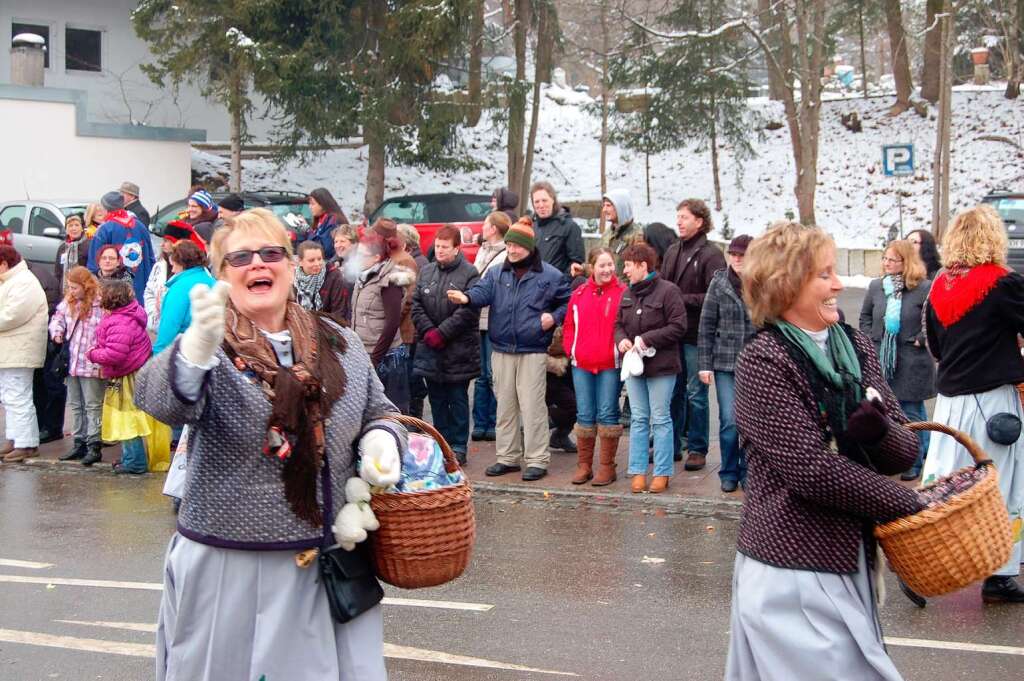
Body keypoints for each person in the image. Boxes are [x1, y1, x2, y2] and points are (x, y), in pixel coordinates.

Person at [134, 207, 404, 681]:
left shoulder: (338, 339)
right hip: (229, 566)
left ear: (291, 265)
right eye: (239, 258)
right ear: (221, 276)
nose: (258, 264)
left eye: (271, 252)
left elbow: (380, 409)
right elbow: (159, 401)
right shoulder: (211, 348)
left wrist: (383, 438)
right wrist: (194, 349)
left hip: (327, 567)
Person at [726, 222, 927, 681]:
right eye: (825, 274)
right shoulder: (763, 360)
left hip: (847, 555)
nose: (839, 284)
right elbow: (811, 470)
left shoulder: (854, 345)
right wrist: (910, 502)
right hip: (789, 566)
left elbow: (905, 447)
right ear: (785, 285)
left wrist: (878, 434)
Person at [922, 205, 1024, 603]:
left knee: (945, 482)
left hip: (950, 400)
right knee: (1001, 485)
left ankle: (922, 558)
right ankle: (999, 574)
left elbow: (934, 344)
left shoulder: (938, 284)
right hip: (992, 399)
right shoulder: (1003, 283)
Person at [448, 219, 571, 482]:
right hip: (502, 348)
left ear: (529, 247)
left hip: (532, 348)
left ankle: (537, 459)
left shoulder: (550, 275)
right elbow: (482, 292)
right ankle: (507, 457)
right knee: (505, 405)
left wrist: (553, 316)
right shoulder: (497, 273)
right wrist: (467, 297)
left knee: (532, 406)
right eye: (509, 245)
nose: (512, 250)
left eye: (516, 245)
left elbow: (567, 302)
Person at [858, 239, 936, 481]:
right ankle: (914, 454)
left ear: (906, 261)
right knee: (892, 411)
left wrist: (921, 339)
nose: (887, 263)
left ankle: (915, 461)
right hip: (884, 360)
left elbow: (935, 321)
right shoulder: (876, 286)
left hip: (913, 362)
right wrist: (872, 339)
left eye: (892, 259)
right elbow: (865, 317)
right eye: (885, 258)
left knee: (911, 412)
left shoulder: (923, 287)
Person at [614, 243, 686, 494]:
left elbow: (678, 326)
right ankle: (637, 471)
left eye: (629, 266)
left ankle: (662, 473)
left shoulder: (668, 291)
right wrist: (621, 339)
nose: (625, 271)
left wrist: (648, 339)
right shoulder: (627, 293)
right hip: (635, 367)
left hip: (662, 367)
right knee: (638, 418)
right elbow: (618, 324)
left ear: (643, 266)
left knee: (661, 418)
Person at [661, 198, 725, 470]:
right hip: (671, 334)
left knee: (696, 394)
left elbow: (715, 295)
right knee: (672, 393)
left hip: (697, 335)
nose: (679, 221)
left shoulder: (711, 254)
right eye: (678, 216)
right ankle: (672, 446)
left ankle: (697, 448)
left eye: (684, 217)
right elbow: (663, 287)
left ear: (699, 221)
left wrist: (679, 299)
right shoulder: (673, 249)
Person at [412, 225, 481, 464]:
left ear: (456, 248)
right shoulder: (427, 271)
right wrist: (429, 331)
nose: (439, 251)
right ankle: (441, 441)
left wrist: (443, 332)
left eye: (444, 247)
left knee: (458, 398)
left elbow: (469, 311)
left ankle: (459, 445)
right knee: (437, 399)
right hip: (430, 348)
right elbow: (416, 304)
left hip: (458, 350)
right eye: (437, 246)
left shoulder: (470, 273)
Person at [697, 235, 756, 493]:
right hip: (725, 362)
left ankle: (749, 471)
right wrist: (704, 364)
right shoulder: (719, 282)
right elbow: (706, 325)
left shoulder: (762, 283)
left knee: (752, 422)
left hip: (755, 363)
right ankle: (729, 470)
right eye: (733, 254)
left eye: (742, 254)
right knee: (729, 419)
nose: (737, 259)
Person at [563, 247, 626, 486]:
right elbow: (569, 325)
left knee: (608, 412)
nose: (607, 270)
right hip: (582, 364)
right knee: (585, 413)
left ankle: (607, 467)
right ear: (592, 267)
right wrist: (571, 350)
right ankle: (584, 465)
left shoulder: (623, 293)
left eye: (610, 264)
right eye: (602, 265)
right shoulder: (579, 294)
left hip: (610, 363)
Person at [86, 280, 153, 473]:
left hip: (126, 376)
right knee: (129, 418)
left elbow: (115, 354)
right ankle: (129, 458)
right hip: (132, 372)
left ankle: (135, 462)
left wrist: (92, 354)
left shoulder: (119, 321)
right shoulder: (129, 315)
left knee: (127, 419)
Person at [350, 229, 416, 413]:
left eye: (363, 255)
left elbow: (392, 322)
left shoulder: (389, 281)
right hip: (365, 353)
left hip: (387, 358)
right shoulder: (363, 277)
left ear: (376, 257)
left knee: (392, 414)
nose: (358, 258)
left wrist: (375, 358)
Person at [49, 266, 104, 462]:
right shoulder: (69, 301)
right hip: (71, 362)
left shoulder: (100, 304)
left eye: (74, 287)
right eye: (69, 287)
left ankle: (94, 444)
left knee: (92, 404)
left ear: (85, 285)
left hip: (92, 363)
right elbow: (57, 317)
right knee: (75, 404)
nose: (71, 291)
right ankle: (78, 442)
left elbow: (106, 332)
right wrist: (57, 331)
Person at [0, 244, 48, 462]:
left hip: (20, 351)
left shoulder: (24, 282)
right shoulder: (12, 281)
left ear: (4, 264)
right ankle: (14, 438)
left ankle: (26, 443)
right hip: (11, 351)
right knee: (10, 397)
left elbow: (11, 315)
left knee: (18, 397)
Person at [471, 211, 510, 442]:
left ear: (494, 228)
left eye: (486, 224)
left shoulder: (504, 254)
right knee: (480, 374)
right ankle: (480, 421)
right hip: (479, 318)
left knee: (492, 372)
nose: (483, 227)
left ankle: (494, 421)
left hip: (493, 318)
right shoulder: (483, 250)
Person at [87, 191, 155, 301]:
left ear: (106, 208)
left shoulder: (104, 230)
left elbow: (94, 263)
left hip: (113, 295)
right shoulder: (140, 226)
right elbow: (151, 259)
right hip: (142, 292)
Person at [153, 241, 216, 355]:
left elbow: (169, 327)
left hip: (184, 352)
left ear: (181, 262)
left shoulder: (179, 289)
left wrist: (156, 357)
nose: (172, 270)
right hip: (210, 351)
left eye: (174, 265)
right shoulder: (212, 282)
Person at [529, 181, 584, 277]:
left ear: (553, 200)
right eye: (537, 202)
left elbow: (576, 263)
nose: (541, 205)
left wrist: (560, 282)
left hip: (557, 286)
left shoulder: (569, 226)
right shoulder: (531, 227)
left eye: (544, 200)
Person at [294, 241, 349, 319]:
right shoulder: (293, 278)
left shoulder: (334, 276)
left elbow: (339, 313)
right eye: (311, 260)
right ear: (300, 262)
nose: (317, 264)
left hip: (327, 328)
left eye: (319, 259)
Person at [599, 189, 642, 275]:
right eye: (604, 205)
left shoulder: (637, 235)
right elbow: (597, 260)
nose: (604, 209)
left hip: (625, 287)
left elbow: (639, 270)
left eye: (608, 205)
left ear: (620, 207)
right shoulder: (607, 233)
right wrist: (583, 269)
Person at [307, 187, 349, 261]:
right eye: (309, 204)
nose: (310, 207)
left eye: (313, 204)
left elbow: (325, 249)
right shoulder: (320, 220)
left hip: (331, 264)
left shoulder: (333, 221)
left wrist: (308, 230)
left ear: (322, 205)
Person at [55, 214, 91, 293]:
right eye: (70, 226)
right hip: (65, 290)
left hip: (84, 289)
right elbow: (58, 273)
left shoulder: (89, 245)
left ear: (82, 228)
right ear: (66, 229)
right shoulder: (62, 247)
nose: (74, 228)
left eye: (77, 225)